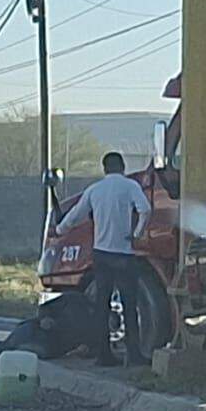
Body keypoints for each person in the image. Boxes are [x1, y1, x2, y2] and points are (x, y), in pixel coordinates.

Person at [54, 152, 152, 366]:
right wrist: (136, 233)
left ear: (104, 168)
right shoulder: (130, 187)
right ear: (122, 167)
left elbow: (76, 214)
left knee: (102, 305)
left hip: (101, 255)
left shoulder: (95, 190)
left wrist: (60, 229)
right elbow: (145, 209)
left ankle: (104, 355)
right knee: (129, 304)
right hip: (124, 254)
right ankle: (133, 355)